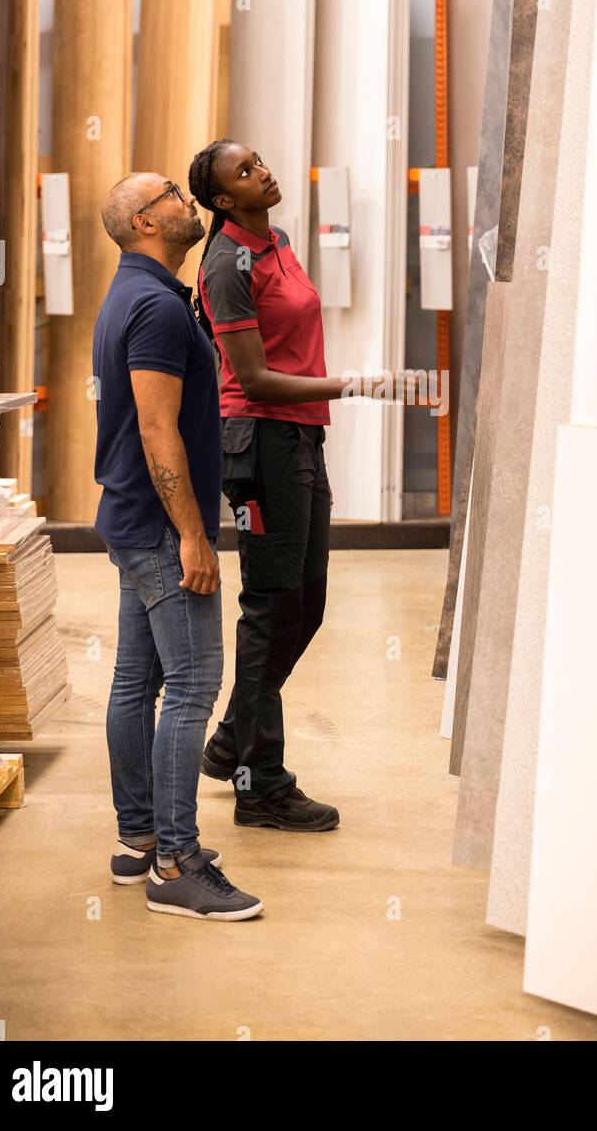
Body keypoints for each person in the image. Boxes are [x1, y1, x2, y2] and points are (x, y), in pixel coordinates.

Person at [190, 138, 394, 832]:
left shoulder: (274, 237)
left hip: (300, 435)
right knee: (271, 606)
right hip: (259, 441)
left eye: (258, 161)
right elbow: (251, 378)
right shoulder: (225, 264)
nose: (263, 172)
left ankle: (229, 740)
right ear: (222, 200)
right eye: (244, 172)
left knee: (306, 602)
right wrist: (357, 385)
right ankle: (260, 786)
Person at [93, 171, 263, 921]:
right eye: (169, 192)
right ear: (143, 222)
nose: (183, 198)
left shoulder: (137, 294)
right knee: (193, 685)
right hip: (163, 527)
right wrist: (193, 534)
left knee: (137, 681)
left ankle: (139, 839)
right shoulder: (157, 307)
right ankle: (174, 862)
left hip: (133, 517)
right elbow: (159, 430)